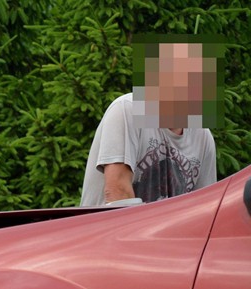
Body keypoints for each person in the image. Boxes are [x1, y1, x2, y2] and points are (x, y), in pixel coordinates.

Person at [80, 40, 217, 207]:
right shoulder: (128, 110)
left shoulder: (203, 136)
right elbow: (117, 191)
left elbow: (204, 206)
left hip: (169, 231)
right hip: (109, 230)